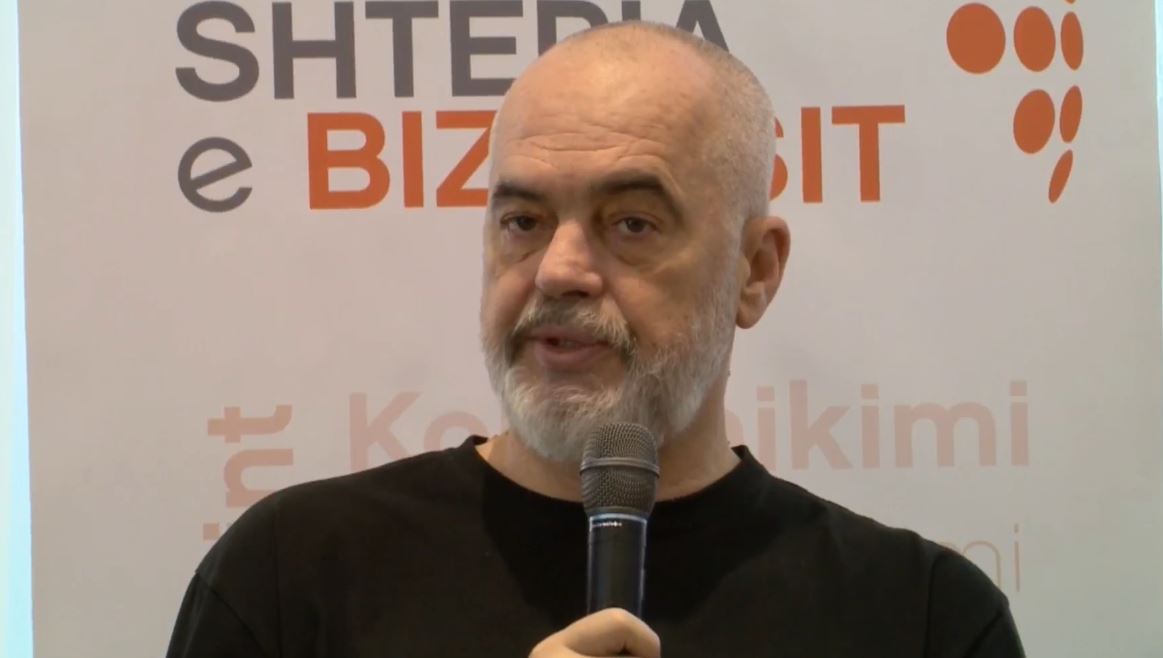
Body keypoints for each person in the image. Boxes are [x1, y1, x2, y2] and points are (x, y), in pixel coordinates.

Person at [166, 21, 1025, 658]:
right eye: (523, 221)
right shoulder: (293, 577)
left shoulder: (920, 617)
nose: (558, 270)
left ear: (755, 271)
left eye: (631, 223)